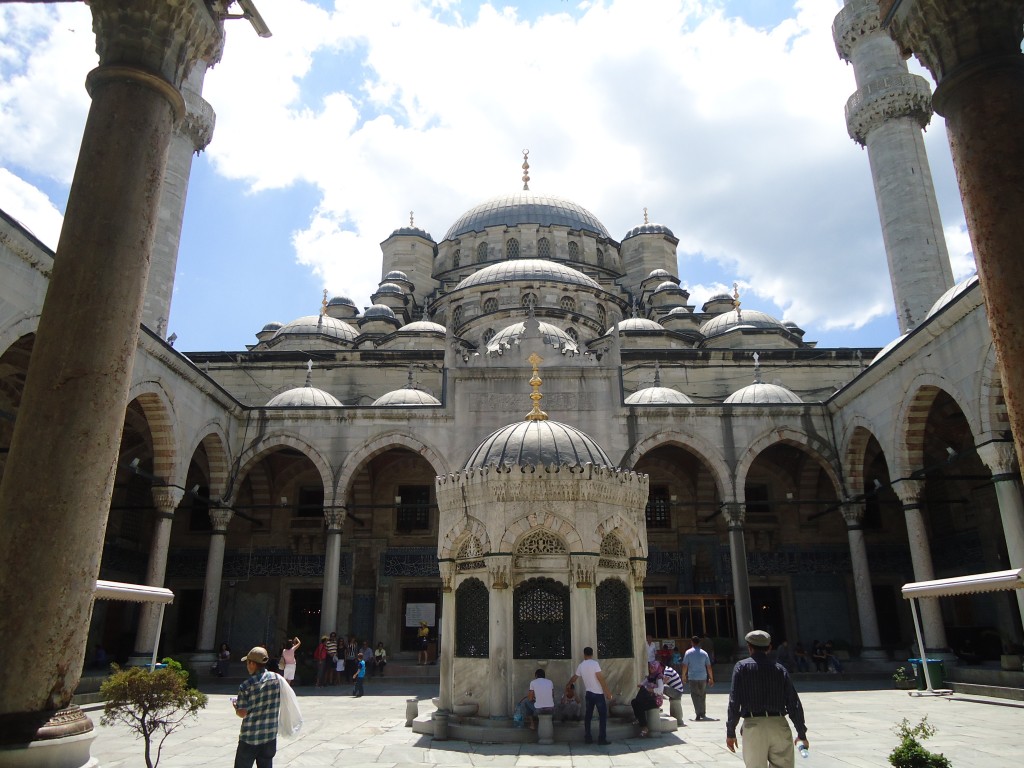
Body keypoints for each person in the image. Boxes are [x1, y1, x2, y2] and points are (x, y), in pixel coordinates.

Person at [726, 630, 808, 768]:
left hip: (753, 726)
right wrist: (801, 733)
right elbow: (793, 703)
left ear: (749, 647)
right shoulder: (780, 669)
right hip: (779, 725)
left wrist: (730, 732)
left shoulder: (741, 667)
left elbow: (734, 702)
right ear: (769, 648)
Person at [233, 646, 281, 768]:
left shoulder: (246, 685)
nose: (247, 666)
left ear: (252, 663)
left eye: (247, 663)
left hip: (250, 737)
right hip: (269, 735)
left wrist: (236, 707)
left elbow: (242, 713)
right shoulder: (277, 679)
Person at [567, 646, 613, 745]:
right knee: (602, 716)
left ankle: (588, 737)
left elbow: (574, 678)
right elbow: (600, 678)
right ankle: (602, 739)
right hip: (598, 694)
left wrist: (568, 684)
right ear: (592, 654)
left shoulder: (581, 665)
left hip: (589, 694)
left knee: (588, 716)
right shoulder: (595, 664)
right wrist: (607, 692)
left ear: (584, 654)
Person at [682, 635, 715, 721]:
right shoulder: (704, 653)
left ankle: (698, 712)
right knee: (702, 694)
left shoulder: (688, 653)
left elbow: (685, 665)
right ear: (699, 642)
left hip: (692, 677)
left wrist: (683, 676)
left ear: (692, 642)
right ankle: (703, 712)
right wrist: (711, 678)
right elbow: (709, 666)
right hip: (703, 676)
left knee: (694, 695)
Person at [630, 665, 663, 737]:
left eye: (653, 668)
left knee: (639, 703)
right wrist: (641, 685)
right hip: (648, 699)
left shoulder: (659, 678)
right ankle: (641, 723)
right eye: (650, 668)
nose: (651, 669)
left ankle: (644, 727)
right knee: (634, 702)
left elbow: (660, 690)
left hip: (656, 700)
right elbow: (641, 684)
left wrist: (649, 689)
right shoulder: (649, 677)